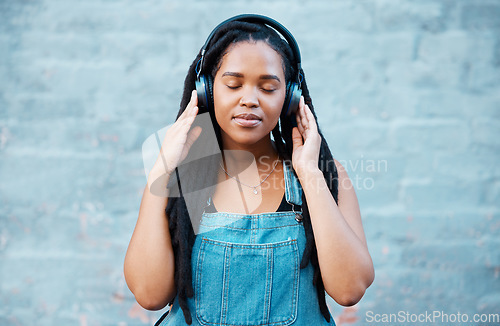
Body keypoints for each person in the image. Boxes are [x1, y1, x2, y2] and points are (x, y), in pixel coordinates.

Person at [124, 14, 374, 326]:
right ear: (207, 90)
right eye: (233, 84)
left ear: (290, 97)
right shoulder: (180, 177)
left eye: (268, 88)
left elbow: (350, 290)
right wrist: (162, 171)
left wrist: (309, 174)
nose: (250, 100)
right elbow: (149, 295)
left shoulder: (325, 173)